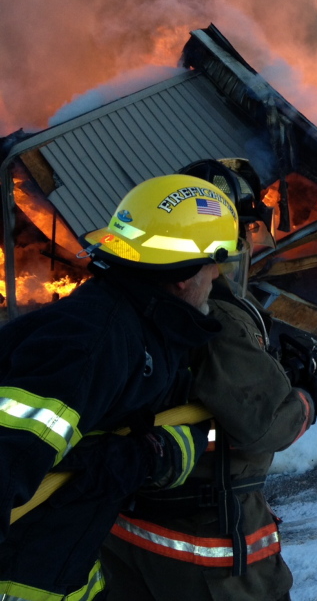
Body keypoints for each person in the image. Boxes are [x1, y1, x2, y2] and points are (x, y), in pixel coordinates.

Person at [101, 159, 317, 601]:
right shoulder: (215, 319)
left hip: (129, 535)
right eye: (236, 238)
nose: (230, 258)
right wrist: (305, 396)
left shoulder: (125, 301)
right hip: (208, 552)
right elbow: (268, 426)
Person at [0, 173, 243, 600]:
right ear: (185, 275)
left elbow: (172, 423)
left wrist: (153, 454)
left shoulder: (150, 330)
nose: (216, 277)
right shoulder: (93, 343)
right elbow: (9, 456)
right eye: (214, 264)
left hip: (67, 567)